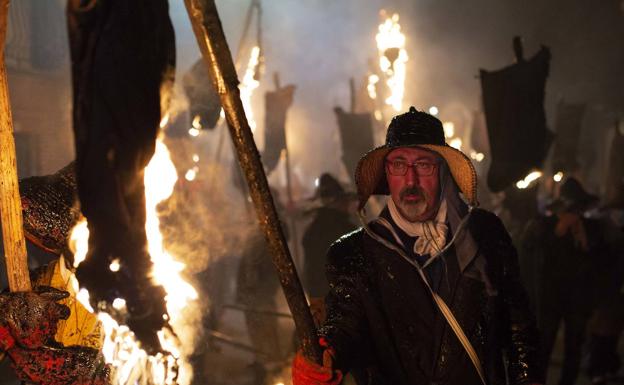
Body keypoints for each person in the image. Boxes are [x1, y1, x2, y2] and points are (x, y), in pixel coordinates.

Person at [292, 107, 543, 385]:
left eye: (424, 165)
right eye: (399, 165)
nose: (410, 180)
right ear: (387, 174)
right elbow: (345, 324)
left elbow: (519, 327)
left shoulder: (485, 233)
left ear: (443, 171)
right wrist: (327, 352)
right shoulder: (353, 253)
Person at [520, 177, 623, 385]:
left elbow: (601, 260)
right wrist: (557, 232)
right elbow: (529, 248)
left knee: (574, 348)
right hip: (551, 298)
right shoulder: (546, 225)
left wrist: (585, 240)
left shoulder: (592, 228)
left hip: (578, 299)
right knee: (544, 344)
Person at [301, 173, 356, 300]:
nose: (347, 204)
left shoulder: (311, 230)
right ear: (338, 202)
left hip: (317, 297)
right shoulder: (347, 230)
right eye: (344, 201)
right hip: (343, 301)